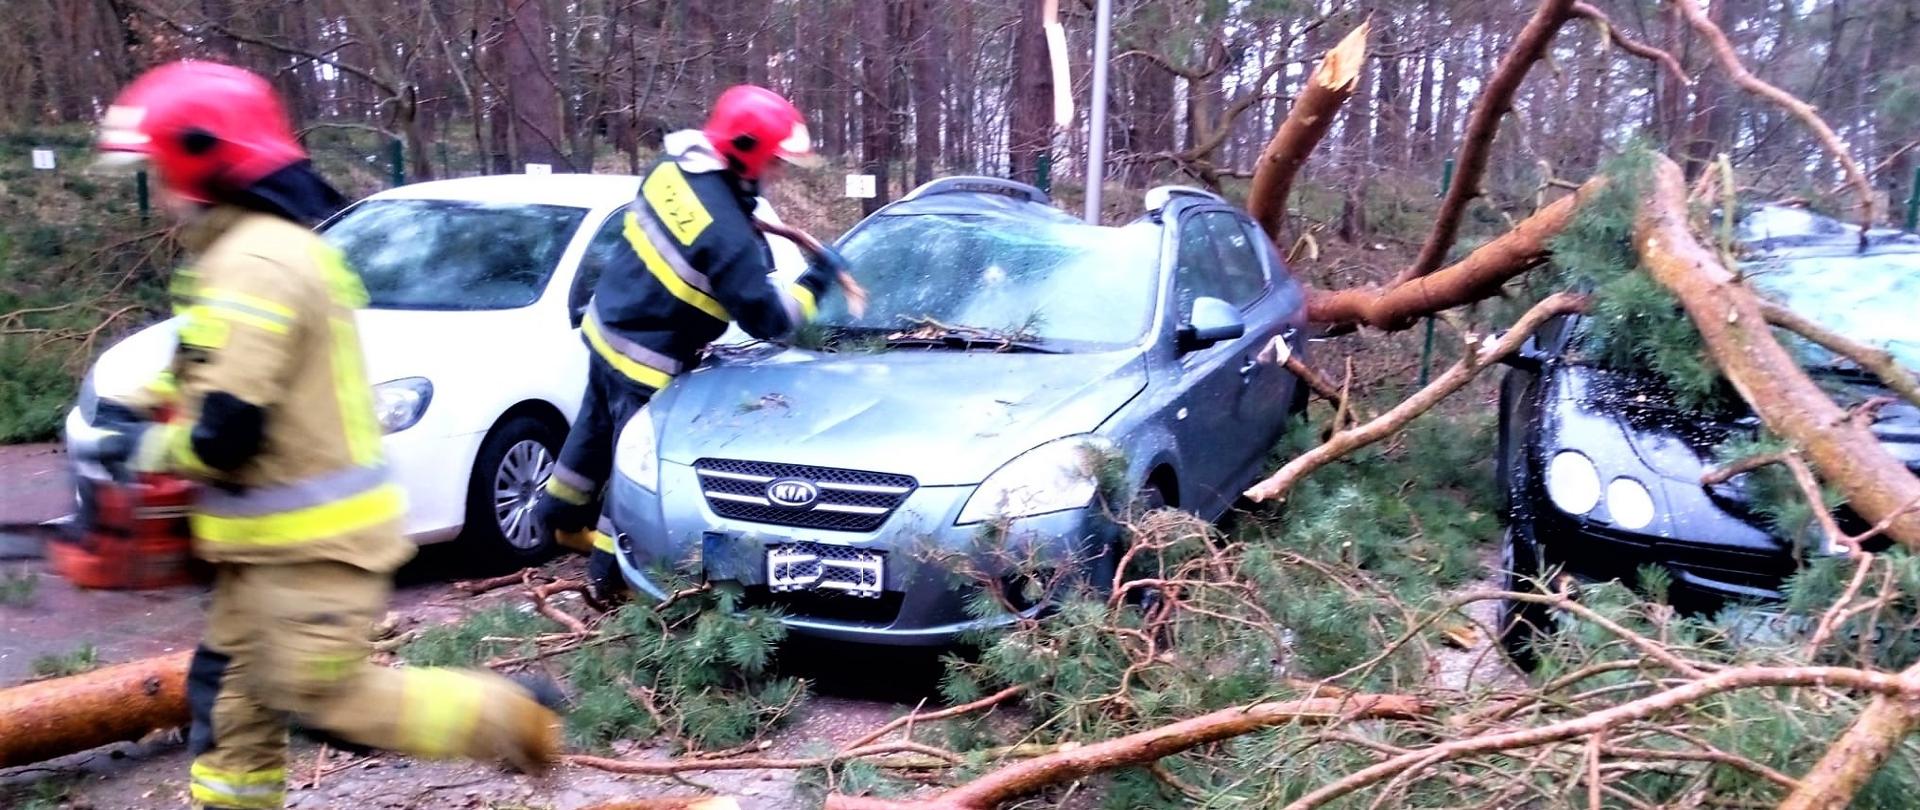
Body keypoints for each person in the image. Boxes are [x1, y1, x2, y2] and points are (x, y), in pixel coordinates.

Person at [86, 60, 562, 809]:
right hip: (262, 548)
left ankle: (510, 717)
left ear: (197, 155)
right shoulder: (246, 253)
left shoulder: (256, 263)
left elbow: (226, 433)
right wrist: (136, 402)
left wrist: (138, 450)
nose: (158, 188)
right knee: (234, 704)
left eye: (158, 164)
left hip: (309, 547)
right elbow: (213, 373)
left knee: (326, 701)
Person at [532, 85, 846, 603]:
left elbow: (694, 225)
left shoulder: (669, 171)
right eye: (774, 161)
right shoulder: (727, 236)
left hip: (604, 330)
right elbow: (771, 320)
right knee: (631, 475)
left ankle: (557, 517)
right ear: (745, 152)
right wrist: (817, 282)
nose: (778, 172)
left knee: (591, 432)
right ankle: (607, 580)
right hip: (647, 363)